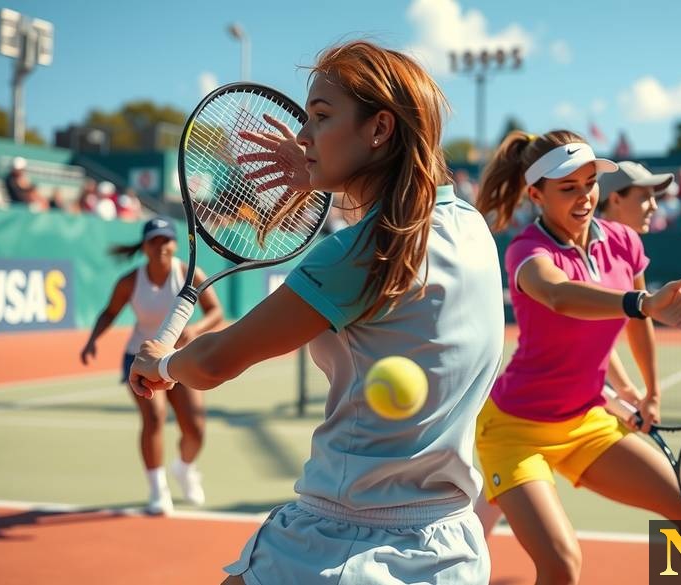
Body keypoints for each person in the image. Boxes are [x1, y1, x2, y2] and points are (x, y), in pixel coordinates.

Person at [129, 40, 505, 585]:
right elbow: (395, 215)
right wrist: (325, 173)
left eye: (322, 118)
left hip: (336, 548)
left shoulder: (355, 254)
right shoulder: (470, 228)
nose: (304, 136)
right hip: (449, 549)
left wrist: (162, 363)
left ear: (378, 130)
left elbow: (214, 362)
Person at [473, 129, 681, 585]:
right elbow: (559, 296)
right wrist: (641, 301)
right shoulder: (527, 252)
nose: (584, 197)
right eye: (567, 188)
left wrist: (649, 392)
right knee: (562, 563)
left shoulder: (624, 243)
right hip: (515, 431)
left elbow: (637, 323)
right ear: (536, 194)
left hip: (587, 421)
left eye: (590, 183)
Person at [80, 217, 222, 515]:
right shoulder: (130, 281)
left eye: (165, 240)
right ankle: (158, 490)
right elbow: (109, 312)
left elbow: (215, 311)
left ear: (175, 244)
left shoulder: (187, 272)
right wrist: (92, 340)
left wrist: (196, 331)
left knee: (195, 429)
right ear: (144, 247)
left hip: (180, 358)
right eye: (154, 241)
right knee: (154, 418)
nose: (160, 246)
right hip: (141, 358)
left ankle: (184, 468)